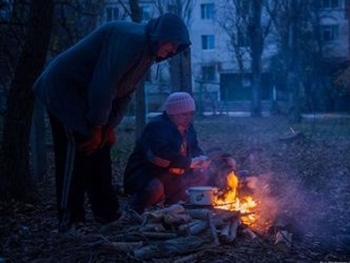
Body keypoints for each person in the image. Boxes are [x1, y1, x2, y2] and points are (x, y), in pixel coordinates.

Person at [32, 13, 191, 234]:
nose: (173, 50)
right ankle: (70, 221)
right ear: (160, 36)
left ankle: (106, 214)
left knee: (101, 149)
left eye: (177, 47)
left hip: (86, 96)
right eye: (172, 44)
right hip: (64, 90)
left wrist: (108, 128)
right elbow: (104, 84)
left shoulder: (147, 54)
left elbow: (124, 92)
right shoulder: (131, 40)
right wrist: (97, 126)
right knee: (76, 152)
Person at [123, 92, 210, 214]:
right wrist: (189, 163)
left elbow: (194, 148)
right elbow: (160, 155)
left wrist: (201, 159)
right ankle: (134, 209)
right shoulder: (157, 126)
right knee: (154, 188)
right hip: (148, 174)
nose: (188, 117)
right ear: (172, 113)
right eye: (184, 114)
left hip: (174, 174)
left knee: (202, 177)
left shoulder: (188, 128)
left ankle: (173, 202)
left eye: (191, 113)